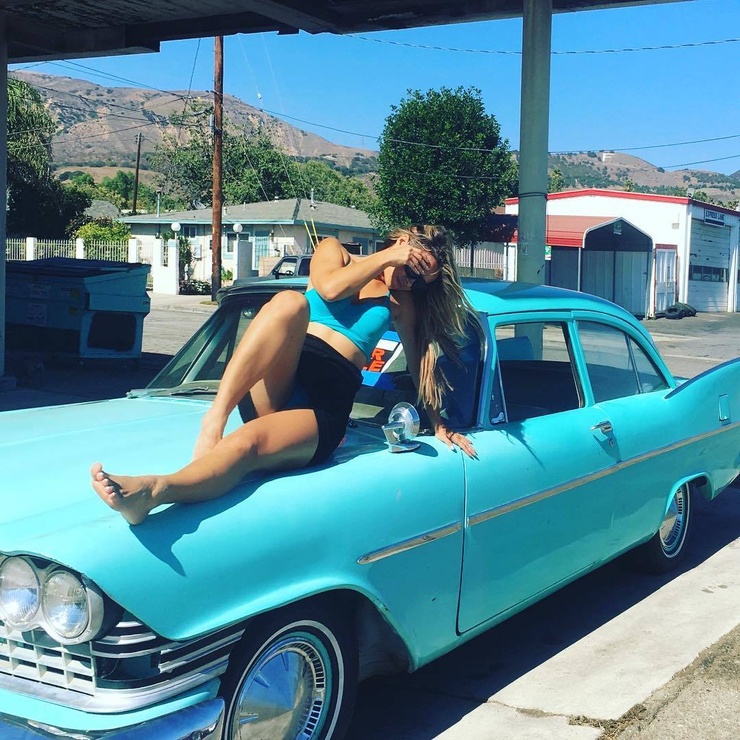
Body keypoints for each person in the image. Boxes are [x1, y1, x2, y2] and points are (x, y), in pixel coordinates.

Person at [91, 225, 477, 525]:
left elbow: (420, 362)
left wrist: (438, 423)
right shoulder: (334, 252)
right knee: (290, 302)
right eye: (413, 270)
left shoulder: (401, 303)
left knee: (246, 445)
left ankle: (154, 491)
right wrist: (388, 257)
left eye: (421, 282)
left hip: (323, 408)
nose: (411, 282)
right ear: (402, 244)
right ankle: (214, 418)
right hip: (282, 378)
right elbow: (330, 289)